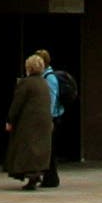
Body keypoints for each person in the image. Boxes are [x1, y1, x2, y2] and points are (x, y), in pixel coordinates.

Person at [3, 51, 53, 189]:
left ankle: (29, 176)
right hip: (44, 122)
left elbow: (17, 104)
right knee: (38, 149)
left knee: (27, 148)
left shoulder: (26, 83)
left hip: (28, 123)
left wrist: (10, 120)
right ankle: (35, 174)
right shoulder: (44, 83)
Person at [39, 50, 69, 187]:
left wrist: (49, 118)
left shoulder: (49, 78)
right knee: (49, 148)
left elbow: (51, 99)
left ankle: (51, 177)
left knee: (50, 149)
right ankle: (49, 176)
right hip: (53, 117)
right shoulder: (45, 76)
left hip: (53, 118)